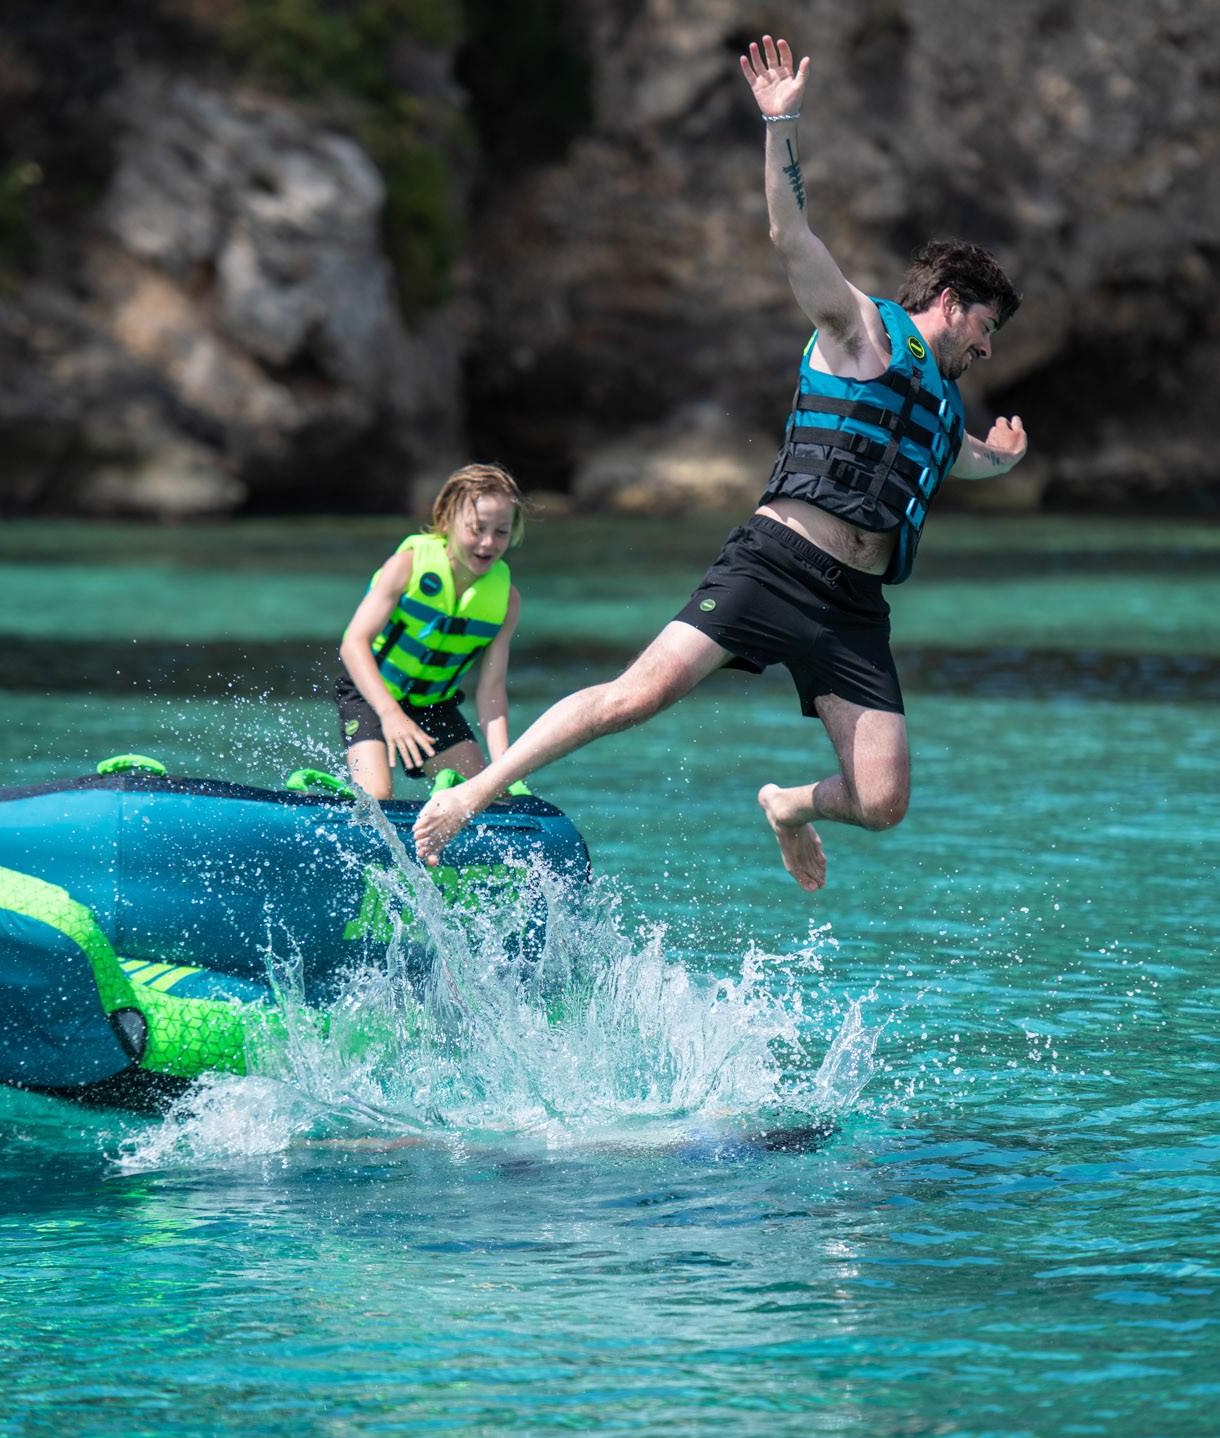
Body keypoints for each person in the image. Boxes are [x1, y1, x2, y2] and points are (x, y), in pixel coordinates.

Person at [413, 34, 1028, 892]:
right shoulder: (859, 328)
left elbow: (953, 460)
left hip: (853, 608)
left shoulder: (941, 406)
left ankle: (787, 806)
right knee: (636, 696)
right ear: (952, 304)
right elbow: (788, 231)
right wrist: (780, 126)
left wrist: (1001, 460)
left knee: (883, 800)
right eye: (987, 329)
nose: (989, 350)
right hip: (775, 564)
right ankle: (475, 792)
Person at [337, 463, 525, 801]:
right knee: (376, 798)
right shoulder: (407, 566)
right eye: (477, 528)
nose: (488, 543)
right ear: (447, 520)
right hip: (370, 694)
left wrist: (504, 766)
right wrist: (390, 714)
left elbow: (492, 689)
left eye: (501, 531)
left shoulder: (506, 601)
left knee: (491, 800)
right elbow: (353, 643)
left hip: (434, 705)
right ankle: (313, 798)